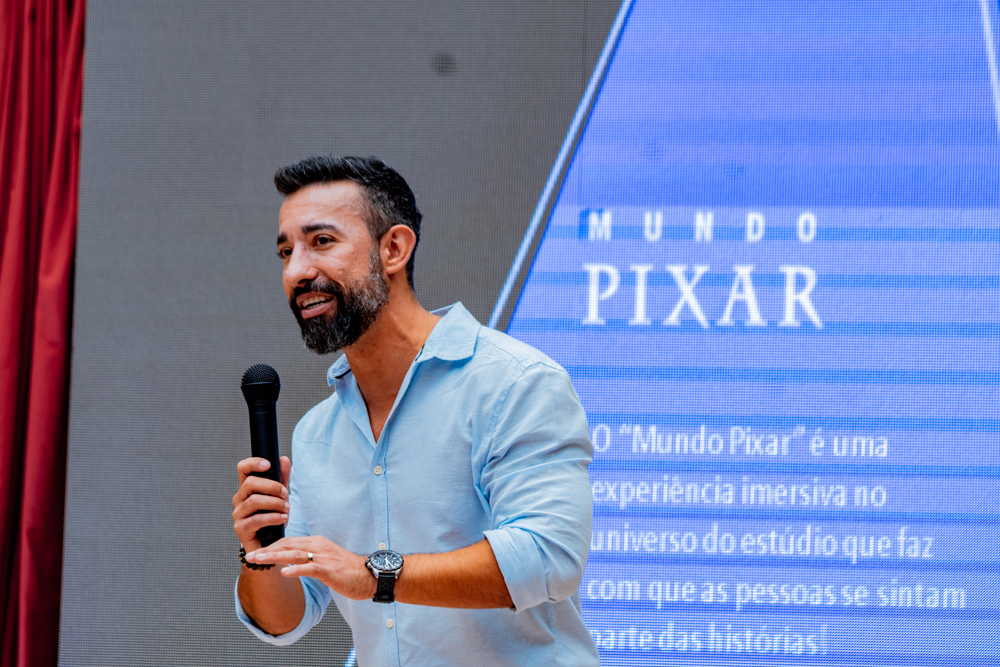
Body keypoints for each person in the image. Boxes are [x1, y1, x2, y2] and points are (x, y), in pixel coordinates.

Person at [231, 155, 600, 666]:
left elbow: (548, 556)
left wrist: (374, 574)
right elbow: (284, 622)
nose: (297, 272)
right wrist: (259, 554)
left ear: (394, 249)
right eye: (286, 252)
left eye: (322, 242)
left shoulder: (515, 383)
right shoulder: (316, 433)